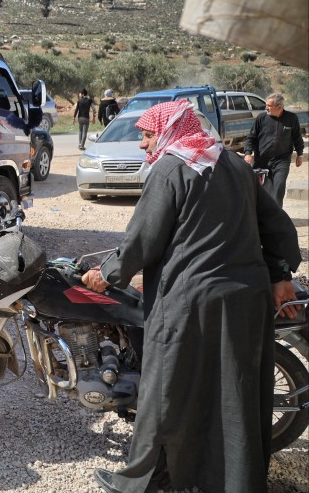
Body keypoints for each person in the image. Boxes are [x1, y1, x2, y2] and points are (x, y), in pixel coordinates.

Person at [81, 100, 301, 493]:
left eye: (147, 136)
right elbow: (276, 226)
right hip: (245, 302)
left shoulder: (170, 169)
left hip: (190, 302)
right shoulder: (234, 164)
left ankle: (144, 481)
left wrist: (108, 274)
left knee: (167, 389)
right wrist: (280, 273)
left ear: (168, 132)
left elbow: (142, 239)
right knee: (235, 393)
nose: (144, 145)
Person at [243, 92, 304, 208]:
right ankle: (260, 215)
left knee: (279, 186)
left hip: (282, 160)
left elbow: (297, 137)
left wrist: (300, 154)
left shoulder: (291, 118)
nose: (266, 108)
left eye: (269, 106)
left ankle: (276, 216)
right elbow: (251, 137)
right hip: (262, 160)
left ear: (279, 107)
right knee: (261, 189)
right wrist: (248, 153)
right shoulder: (261, 118)